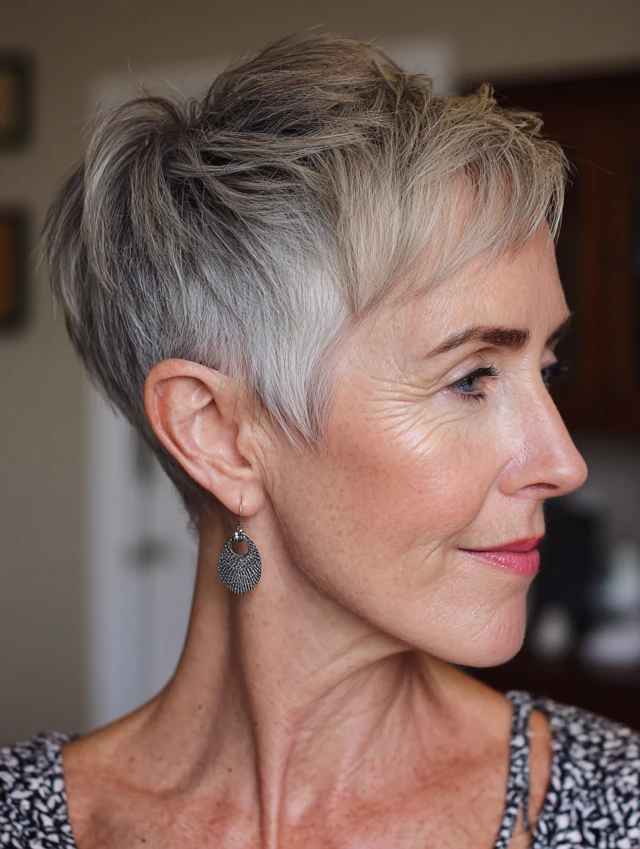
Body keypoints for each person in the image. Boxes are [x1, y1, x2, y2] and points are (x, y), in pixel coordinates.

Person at [1, 32, 638, 849]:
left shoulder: (616, 805)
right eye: (471, 377)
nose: (564, 463)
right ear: (218, 434)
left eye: (546, 369)